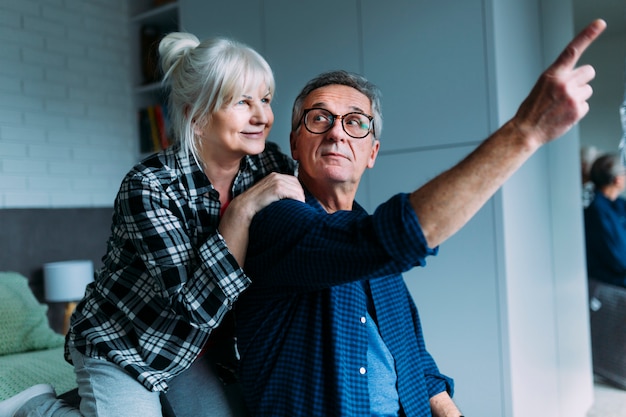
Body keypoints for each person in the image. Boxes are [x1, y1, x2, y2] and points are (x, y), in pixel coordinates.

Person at [234, 19, 607, 416]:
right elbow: (390, 237)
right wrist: (525, 131)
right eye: (319, 118)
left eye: (355, 122)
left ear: (373, 152)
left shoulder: (371, 244)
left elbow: (415, 359)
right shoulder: (277, 223)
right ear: (294, 142)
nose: (336, 133)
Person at [0, 34, 303, 417]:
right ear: (198, 114)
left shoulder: (266, 166)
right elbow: (193, 307)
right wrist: (240, 213)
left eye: (265, 99)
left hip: (201, 350)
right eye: (243, 102)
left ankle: (84, 404)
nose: (262, 116)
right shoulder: (150, 185)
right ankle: (35, 407)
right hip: (127, 346)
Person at [584, 153, 626, 287]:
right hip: (610, 284)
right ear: (617, 180)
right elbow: (619, 260)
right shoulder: (597, 210)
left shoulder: (618, 204)